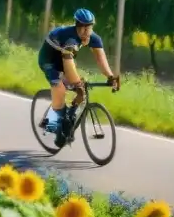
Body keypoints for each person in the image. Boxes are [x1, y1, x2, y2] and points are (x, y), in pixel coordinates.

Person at [38, 8, 120, 142]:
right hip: (49, 60)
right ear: (76, 26)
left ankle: (65, 117)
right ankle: (51, 122)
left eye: (89, 28)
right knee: (60, 88)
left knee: (79, 86)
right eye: (82, 28)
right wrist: (77, 85)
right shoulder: (70, 39)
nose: (86, 32)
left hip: (65, 59)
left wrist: (110, 76)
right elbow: (68, 66)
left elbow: (101, 59)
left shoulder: (92, 37)